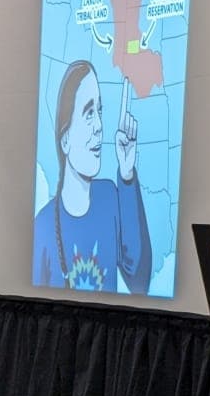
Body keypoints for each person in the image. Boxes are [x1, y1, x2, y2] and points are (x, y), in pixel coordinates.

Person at [33, 60, 152, 294]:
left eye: (99, 111)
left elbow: (140, 280)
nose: (99, 126)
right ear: (65, 140)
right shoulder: (44, 224)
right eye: (88, 113)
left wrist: (127, 173)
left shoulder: (109, 196)